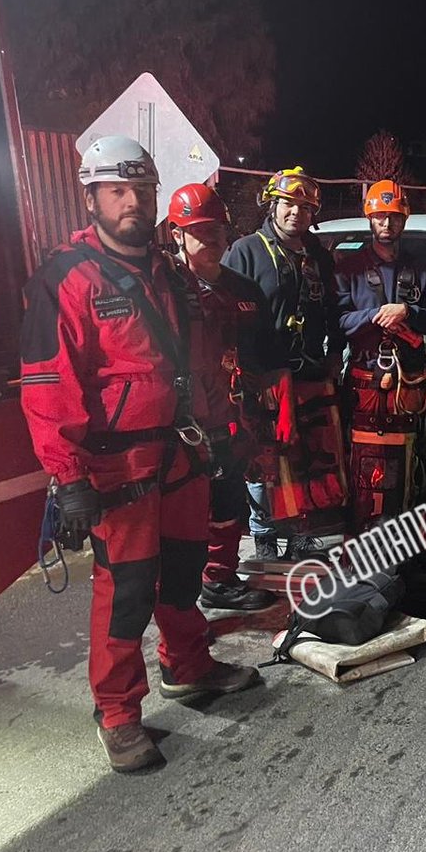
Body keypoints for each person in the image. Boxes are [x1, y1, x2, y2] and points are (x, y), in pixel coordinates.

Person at [19, 136, 259, 773]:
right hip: (115, 467)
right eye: (117, 191)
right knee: (127, 588)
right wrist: (67, 477)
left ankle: (189, 664)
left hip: (182, 453)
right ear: (91, 196)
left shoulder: (169, 273)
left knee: (182, 572)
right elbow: (48, 383)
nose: (132, 202)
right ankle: (118, 713)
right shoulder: (65, 278)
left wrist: (225, 436)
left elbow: (200, 362)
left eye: (142, 190)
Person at [167, 183, 293, 611]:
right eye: (201, 231)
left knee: (230, 500)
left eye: (219, 231)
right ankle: (181, 590)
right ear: (176, 233)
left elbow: (269, 355)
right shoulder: (166, 292)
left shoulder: (244, 291)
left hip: (238, 415)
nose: (214, 241)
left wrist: (277, 408)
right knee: (187, 508)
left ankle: (217, 579)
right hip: (186, 422)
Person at [222, 167, 343, 561]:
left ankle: (297, 533)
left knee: (302, 458)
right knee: (265, 460)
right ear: (273, 205)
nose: (296, 213)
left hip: (307, 372)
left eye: (305, 208)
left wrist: (331, 359)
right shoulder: (246, 251)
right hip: (265, 374)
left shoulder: (317, 257)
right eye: (289, 204)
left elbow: (331, 311)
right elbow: (225, 313)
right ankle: (263, 535)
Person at [335, 179, 426, 522]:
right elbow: (337, 320)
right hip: (365, 382)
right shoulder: (348, 268)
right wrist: (373, 316)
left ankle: (399, 531)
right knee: (362, 459)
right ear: (370, 218)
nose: (387, 224)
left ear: (404, 219)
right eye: (381, 217)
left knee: (406, 458)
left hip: (407, 384)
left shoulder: (422, 270)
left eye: (394, 217)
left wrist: (408, 312)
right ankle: (362, 532)